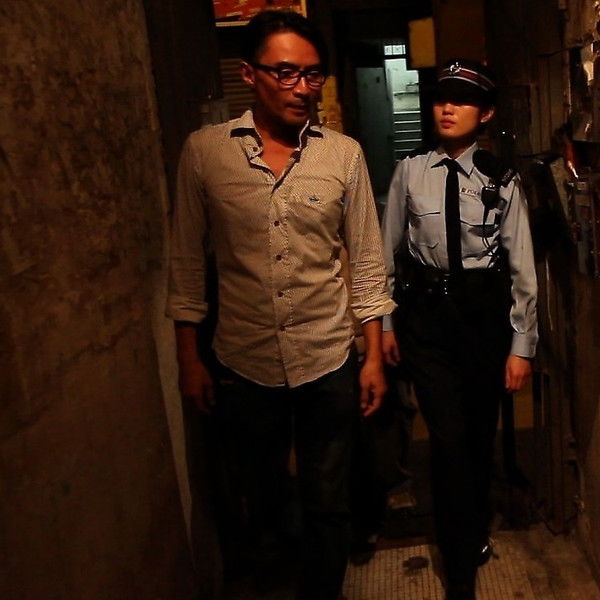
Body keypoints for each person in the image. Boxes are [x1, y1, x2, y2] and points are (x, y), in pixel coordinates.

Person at [166, 10, 395, 600]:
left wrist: (372, 354)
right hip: (245, 360)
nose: (302, 88)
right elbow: (186, 264)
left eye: (313, 75)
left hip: (327, 357)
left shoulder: (342, 155)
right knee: (263, 496)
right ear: (250, 74)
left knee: (328, 498)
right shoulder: (205, 153)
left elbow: (368, 262)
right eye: (286, 73)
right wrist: (189, 359)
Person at [381, 59, 538, 600]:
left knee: (475, 437)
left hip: (483, 320)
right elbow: (386, 253)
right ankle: (459, 562)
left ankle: (471, 526)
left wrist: (521, 346)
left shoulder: (502, 179)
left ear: (486, 113)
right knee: (447, 441)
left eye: (462, 100)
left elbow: (522, 268)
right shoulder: (410, 171)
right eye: (441, 98)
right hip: (427, 320)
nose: (447, 108)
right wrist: (385, 324)